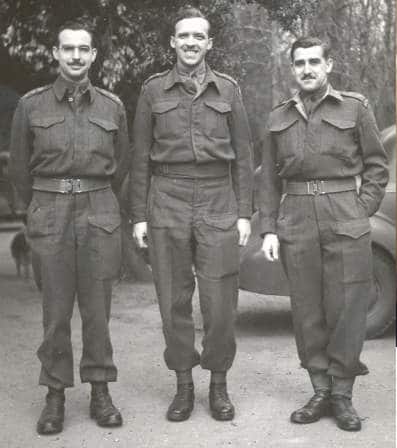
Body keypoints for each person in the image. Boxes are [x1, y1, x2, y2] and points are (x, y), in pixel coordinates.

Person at [130, 5, 253, 422]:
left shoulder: (229, 90)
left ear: (209, 43)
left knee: (220, 303)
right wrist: (139, 216)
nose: (190, 43)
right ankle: (183, 385)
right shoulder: (152, 91)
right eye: (184, 36)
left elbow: (245, 155)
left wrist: (245, 213)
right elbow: (139, 157)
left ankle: (218, 384)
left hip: (218, 197)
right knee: (173, 299)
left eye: (198, 37)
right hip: (167, 197)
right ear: (173, 42)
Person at [259, 36, 388, 431]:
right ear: (292, 69)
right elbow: (267, 180)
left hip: (342, 212)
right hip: (296, 214)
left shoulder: (354, 107)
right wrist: (269, 229)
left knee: (347, 307)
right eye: (299, 63)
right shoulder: (277, 117)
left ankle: (343, 395)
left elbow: (376, 167)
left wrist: (358, 210)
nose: (307, 69)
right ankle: (319, 389)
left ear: (329, 65)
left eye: (315, 61)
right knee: (307, 308)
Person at [9, 17, 130, 434]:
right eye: (68, 49)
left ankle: (100, 391)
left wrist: (97, 197)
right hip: (50, 211)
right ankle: (55, 395)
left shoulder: (112, 106)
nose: (76, 56)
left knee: (98, 310)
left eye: (84, 49)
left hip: (99, 210)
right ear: (56, 54)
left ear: (93, 55)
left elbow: (122, 166)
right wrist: (37, 212)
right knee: (55, 312)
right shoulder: (32, 105)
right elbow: (20, 171)